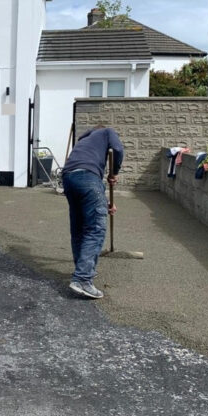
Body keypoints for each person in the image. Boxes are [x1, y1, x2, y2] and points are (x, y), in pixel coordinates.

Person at [61, 125, 123, 299]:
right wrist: (114, 173)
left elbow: (87, 186)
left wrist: (105, 203)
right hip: (87, 177)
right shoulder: (106, 131)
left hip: (68, 178)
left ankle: (81, 268)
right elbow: (118, 148)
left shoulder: (83, 142)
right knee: (95, 228)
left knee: (79, 226)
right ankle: (82, 279)